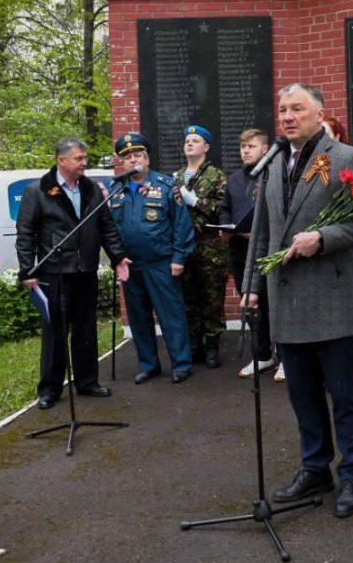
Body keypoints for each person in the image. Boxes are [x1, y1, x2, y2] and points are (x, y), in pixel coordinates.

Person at [246, 84, 353, 518]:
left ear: (320, 114)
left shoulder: (344, 158)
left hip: (327, 296)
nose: (287, 116)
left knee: (343, 396)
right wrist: (251, 284)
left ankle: (352, 474)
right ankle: (315, 467)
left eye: (297, 108)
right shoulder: (273, 163)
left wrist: (322, 238)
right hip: (284, 300)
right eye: (282, 109)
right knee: (302, 396)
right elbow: (263, 231)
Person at [16, 138, 131, 409]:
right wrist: (27, 269)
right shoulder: (38, 191)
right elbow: (25, 234)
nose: (84, 163)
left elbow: (106, 225)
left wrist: (116, 256)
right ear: (61, 160)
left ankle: (87, 382)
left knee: (85, 328)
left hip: (85, 271)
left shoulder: (91, 189)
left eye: (84, 158)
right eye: (79, 158)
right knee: (55, 331)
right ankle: (50, 389)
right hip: (54, 272)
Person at [109, 133, 196, 384]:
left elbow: (182, 225)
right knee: (138, 318)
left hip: (161, 263)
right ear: (122, 163)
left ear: (146, 159)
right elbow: (110, 230)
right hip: (131, 265)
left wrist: (179, 257)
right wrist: (116, 258)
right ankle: (148, 364)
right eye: (127, 157)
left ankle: (181, 364)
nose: (132, 160)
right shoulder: (116, 190)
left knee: (171, 316)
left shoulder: (167, 186)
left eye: (137, 155)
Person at [219, 128, 278, 379]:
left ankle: (285, 357)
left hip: (269, 254)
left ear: (265, 149)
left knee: (274, 304)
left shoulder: (275, 175)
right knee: (254, 307)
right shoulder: (233, 179)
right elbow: (225, 209)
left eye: (251, 146)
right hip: (242, 252)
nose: (245, 151)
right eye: (243, 147)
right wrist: (226, 226)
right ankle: (262, 355)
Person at [173, 125, 228, 369]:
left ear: (206, 147)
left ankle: (212, 346)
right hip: (184, 246)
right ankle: (194, 345)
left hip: (209, 245)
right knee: (188, 296)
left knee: (212, 296)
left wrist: (196, 201)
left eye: (195, 140)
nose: (190, 144)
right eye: (187, 140)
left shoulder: (216, 176)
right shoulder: (175, 177)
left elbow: (222, 209)